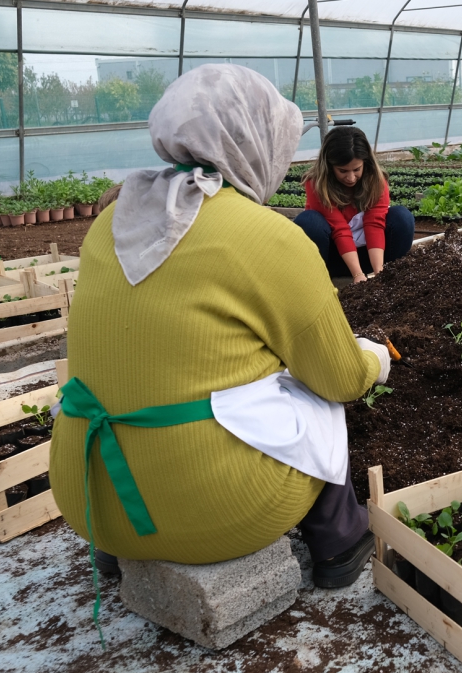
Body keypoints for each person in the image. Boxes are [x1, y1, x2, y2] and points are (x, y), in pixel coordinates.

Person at [50, 64, 390, 590]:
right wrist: (375, 358)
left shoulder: (112, 221)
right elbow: (341, 377)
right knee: (315, 389)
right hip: (215, 510)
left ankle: (118, 549)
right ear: (256, 142)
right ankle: (338, 541)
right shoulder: (267, 236)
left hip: (87, 496)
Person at [295, 126, 414, 283]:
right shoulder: (317, 184)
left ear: (366, 162)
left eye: (357, 169)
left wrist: (379, 273)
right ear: (329, 166)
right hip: (332, 258)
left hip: (366, 255)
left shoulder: (376, 180)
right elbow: (339, 229)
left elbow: (375, 224)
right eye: (343, 171)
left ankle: (389, 272)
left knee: (402, 217)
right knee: (309, 221)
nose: (351, 178)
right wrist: (357, 275)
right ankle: (318, 280)